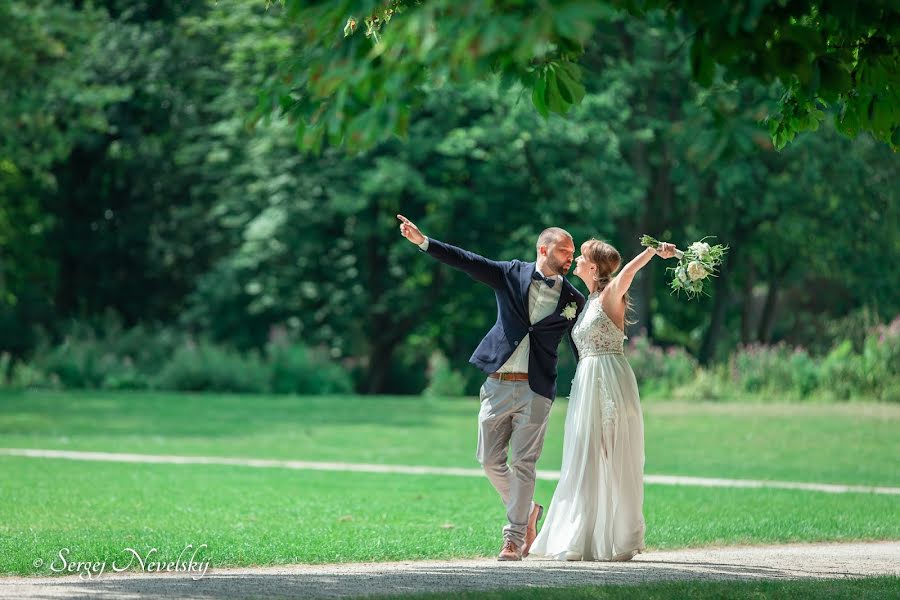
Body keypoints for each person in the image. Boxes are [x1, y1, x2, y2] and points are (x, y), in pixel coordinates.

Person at [397, 214, 586, 561]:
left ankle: (513, 539)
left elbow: (580, 344)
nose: (569, 257)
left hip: (537, 389)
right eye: (563, 250)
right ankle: (528, 510)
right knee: (488, 460)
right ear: (543, 249)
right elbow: (467, 261)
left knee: (525, 464)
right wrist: (425, 243)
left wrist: (590, 382)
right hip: (498, 383)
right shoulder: (510, 273)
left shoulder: (574, 297)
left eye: (572, 252)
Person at [529, 238, 677, 561]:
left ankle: (619, 537)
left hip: (610, 379)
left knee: (614, 455)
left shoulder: (610, 293)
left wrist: (653, 251)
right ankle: (578, 536)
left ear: (593, 268)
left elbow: (628, 272)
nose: (577, 263)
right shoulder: (589, 300)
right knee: (583, 456)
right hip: (586, 382)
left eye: (581, 258)